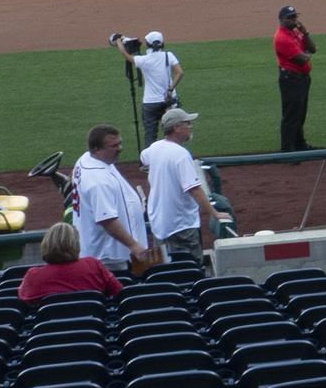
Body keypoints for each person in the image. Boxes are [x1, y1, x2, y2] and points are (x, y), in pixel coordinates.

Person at [73, 123, 154, 277]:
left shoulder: (87, 159)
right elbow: (107, 220)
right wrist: (134, 245)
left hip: (103, 251)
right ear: (97, 149)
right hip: (108, 257)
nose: (120, 148)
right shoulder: (98, 181)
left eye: (120, 143)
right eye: (114, 146)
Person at [140, 108, 218, 264]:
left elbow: (143, 158)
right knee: (192, 269)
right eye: (187, 123)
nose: (191, 126)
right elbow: (194, 189)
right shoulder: (181, 154)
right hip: (181, 225)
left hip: (160, 223)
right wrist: (214, 213)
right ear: (177, 127)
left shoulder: (155, 147)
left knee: (167, 269)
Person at [17, 222, 124, 302]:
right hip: (92, 329)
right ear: (76, 243)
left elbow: (24, 302)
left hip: (51, 331)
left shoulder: (34, 275)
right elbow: (119, 292)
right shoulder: (93, 265)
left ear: (46, 244)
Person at [110, 30, 183, 145]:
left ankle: (149, 161)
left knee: (150, 135)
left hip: (150, 103)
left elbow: (126, 55)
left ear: (148, 44)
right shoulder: (168, 56)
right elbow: (179, 73)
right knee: (172, 134)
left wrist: (118, 41)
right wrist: (170, 88)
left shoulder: (144, 60)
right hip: (169, 100)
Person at [275, 5, 317, 153]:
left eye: (295, 17)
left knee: (300, 113)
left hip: (302, 79)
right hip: (290, 80)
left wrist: (305, 33)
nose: (294, 20)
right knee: (291, 115)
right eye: (290, 18)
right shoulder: (282, 38)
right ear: (282, 20)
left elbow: (312, 49)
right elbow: (302, 59)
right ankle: (287, 149)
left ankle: (300, 144)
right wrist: (305, 53)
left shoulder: (296, 32)